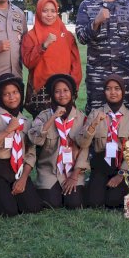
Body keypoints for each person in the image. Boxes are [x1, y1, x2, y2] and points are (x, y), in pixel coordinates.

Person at [75, 0, 129, 112]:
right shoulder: (87, 5)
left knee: (127, 114)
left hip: (124, 72)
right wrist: (95, 22)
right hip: (98, 74)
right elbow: (81, 38)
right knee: (96, 115)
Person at [0, 74, 43, 216]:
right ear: (1, 97)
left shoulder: (25, 121)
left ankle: (13, 193)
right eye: (6, 94)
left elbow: (30, 153)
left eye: (15, 92)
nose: (12, 97)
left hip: (18, 169)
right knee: (9, 211)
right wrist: (6, 131)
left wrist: (24, 178)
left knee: (33, 207)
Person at [75, 76, 129, 209]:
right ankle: (95, 184)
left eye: (117, 89)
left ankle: (117, 188)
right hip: (101, 163)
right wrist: (94, 124)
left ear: (123, 91)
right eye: (108, 89)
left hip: (122, 164)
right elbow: (82, 143)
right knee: (94, 202)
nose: (113, 92)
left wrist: (120, 175)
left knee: (114, 201)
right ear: (104, 92)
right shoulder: (95, 114)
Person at [27, 74, 87, 209]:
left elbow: (85, 149)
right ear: (52, 95)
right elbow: (34, 140)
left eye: (66, 90)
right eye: (57, 91)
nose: (62, 95)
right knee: (52, 203)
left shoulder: (81, 118)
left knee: (74, 204)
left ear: (72, 93)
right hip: (50, 171)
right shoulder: (43, 116)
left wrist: (74, 176)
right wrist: (53, 117)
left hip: (73, 171)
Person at [21, 0, 82, 115]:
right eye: (45, 11)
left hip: (64, 89)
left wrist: (73, 85)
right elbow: (28, 62)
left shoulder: (67, 36)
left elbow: (76, 63)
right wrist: (43, 46)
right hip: (41, 90)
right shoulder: (31, 36)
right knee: (43, 126)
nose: (49, 15)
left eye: (53, 11)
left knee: (65, 125)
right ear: (38, 12)